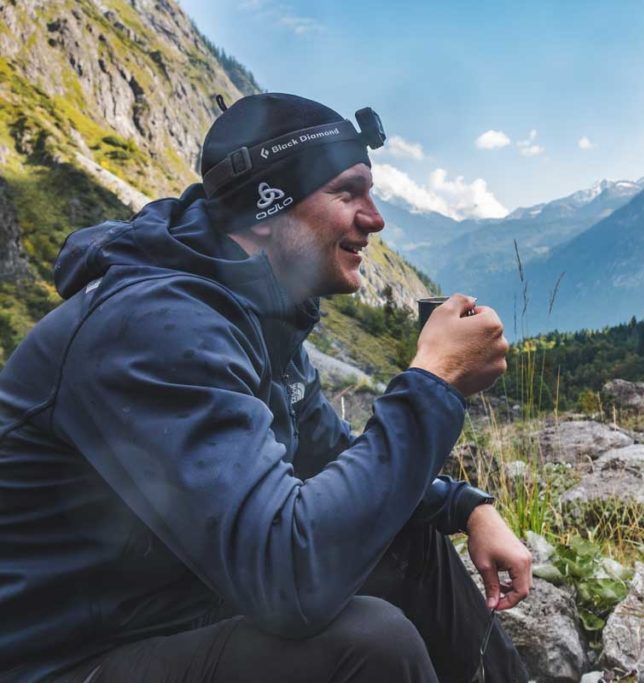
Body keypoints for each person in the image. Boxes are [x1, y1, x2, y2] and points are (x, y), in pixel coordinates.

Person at [0, 93, 531, 682]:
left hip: (169, 612)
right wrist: (435, 384)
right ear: (266, 207)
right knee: (368, 646)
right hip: (65, 659)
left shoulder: (256, 314)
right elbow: (290, 577)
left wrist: (463, 506)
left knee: (410, 541)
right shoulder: (155, 328)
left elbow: (333, 457)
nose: (374, 217)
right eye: (347, 192)